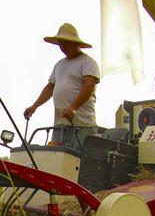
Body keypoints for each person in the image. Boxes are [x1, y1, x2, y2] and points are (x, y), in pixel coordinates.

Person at [23, 22, 100, 153]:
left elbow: (89, 86)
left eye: (66, 42)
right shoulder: (59, 65)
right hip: (60, 124)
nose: (63, 46)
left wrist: (73, 107)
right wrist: (34, 106)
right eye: (60, 43)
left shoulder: (88, 62)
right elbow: (50, 87)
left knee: (77, 161)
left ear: (75, 43)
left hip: (82, 125)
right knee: (56, 157)